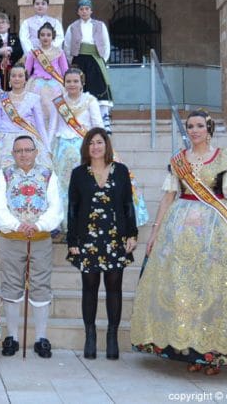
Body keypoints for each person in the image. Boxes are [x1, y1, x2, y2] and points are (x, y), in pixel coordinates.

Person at [131, 110, 227, 374]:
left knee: (218, 289)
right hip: (181, 230)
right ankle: (192, 352)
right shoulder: (178, 161)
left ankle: (216, 354)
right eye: (190, 126)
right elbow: (168, 197)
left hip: (219, 229)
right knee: (185, 291)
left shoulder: (224, 157)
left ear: (209, 128)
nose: (194, 130)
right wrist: (154, 232)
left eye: (199, 125)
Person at [66, 128, 138, 360]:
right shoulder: (78, 174)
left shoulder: (121, 171)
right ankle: (90, 336)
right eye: (91, 143)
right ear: (86, 148)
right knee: (90, 287)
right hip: (88, 239)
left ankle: (112, 337)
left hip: (115, 237)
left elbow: (128, 204)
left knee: (114, 288)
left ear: (106, 145)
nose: (96, 147)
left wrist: (132, 234)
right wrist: (72, 240)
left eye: (100, 142)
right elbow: (73, 209)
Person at [0, 135, 63, 358]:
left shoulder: (48, 175)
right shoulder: (3, 175)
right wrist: (16, 225)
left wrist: (40, 224)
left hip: (40, 239)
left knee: (40, 285)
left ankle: (41, 338)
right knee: (11, 285)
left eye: (28, 150)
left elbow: (56, 206)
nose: (23, 154)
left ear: (35, 152)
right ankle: (12, 337)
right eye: (19, 151)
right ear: (13, 154)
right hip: (12, 238)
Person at [0, 64, 49, 230]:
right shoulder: (2, 97)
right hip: (2, 142)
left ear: (25, 79)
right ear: (9, 79)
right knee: (0, 180)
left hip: (28, 141)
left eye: (20, 76)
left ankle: (30, 216)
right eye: (14, 76)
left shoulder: (33, 98)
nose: (17, 79)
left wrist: (47, 148)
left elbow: (40, 124)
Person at [50, 68, 103, 232]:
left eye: (75, 81)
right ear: (64, 83)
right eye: (68, 81)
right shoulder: (58, 102)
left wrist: (99, 147)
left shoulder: (90, 101)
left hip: (85, 149)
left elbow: (98, 126)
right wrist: (47, 148)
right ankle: (64, 223)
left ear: (82, 83)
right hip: (62, 150)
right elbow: (52, 127)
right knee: (61, 188)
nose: (72, 84)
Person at [64, 0, 114, 133]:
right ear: (78, 12)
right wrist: (71, 61)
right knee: (80, 87)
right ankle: (81, 118)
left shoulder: (100, 25)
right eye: (81, 9)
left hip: (95, 59)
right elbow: (67, 46)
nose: (84, 11)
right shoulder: (72, 27)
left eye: (87, 9)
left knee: (99, 87)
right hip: (79, 60)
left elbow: (106, 43)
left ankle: (104, 119)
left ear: (91, 10)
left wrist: (102, 59)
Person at [25, 22, 68, 132]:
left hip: (56, 84)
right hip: (37, 84)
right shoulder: (34, 52)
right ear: (39, 37)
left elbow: (65, 71)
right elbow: (26, 71)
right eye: (43, 35)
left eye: (48, 35)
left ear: (52, 37)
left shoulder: (59, 52)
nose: (45, 37)